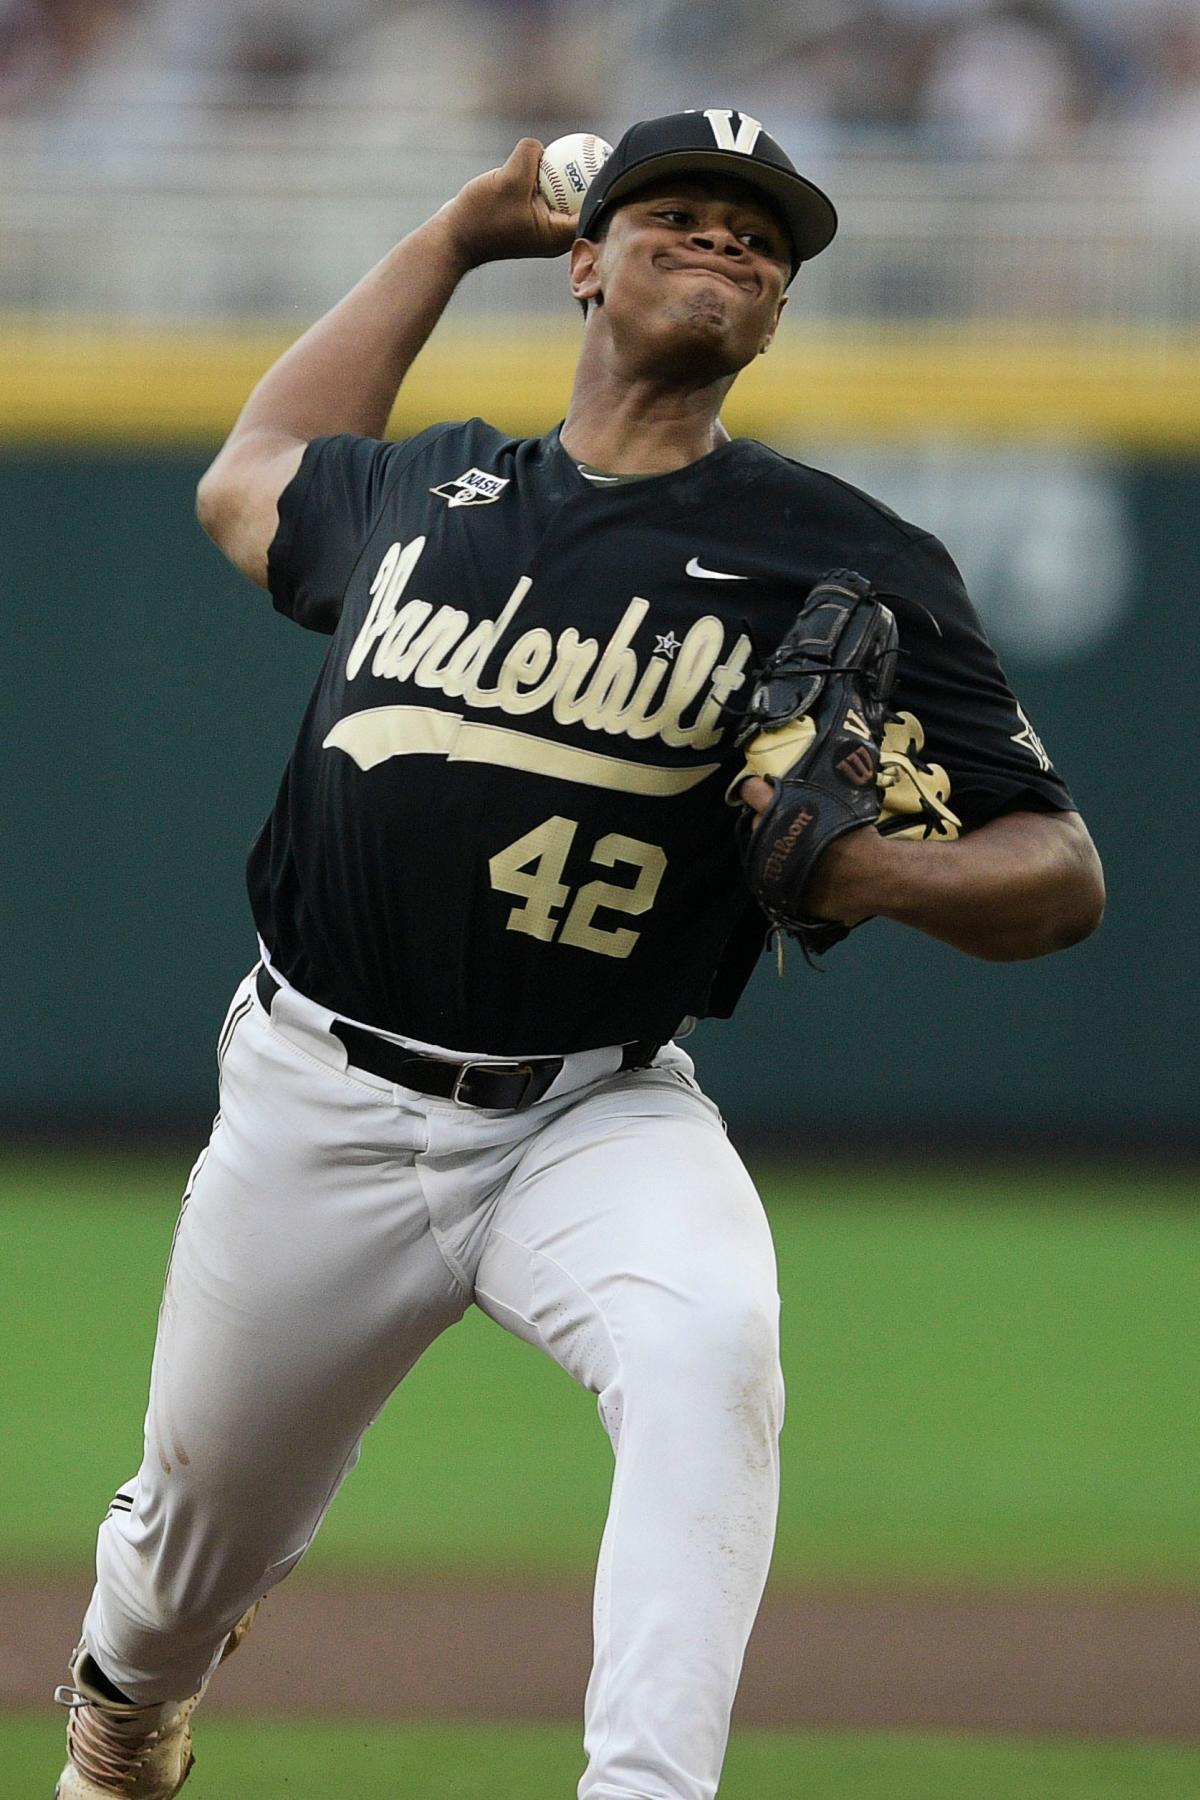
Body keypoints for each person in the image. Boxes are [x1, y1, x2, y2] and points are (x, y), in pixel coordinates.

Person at [54, 109, 1105, 1800]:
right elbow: (244, 481)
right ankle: (124, 1710)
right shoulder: (426, 488)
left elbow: (1060, 872)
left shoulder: (846, 555)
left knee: (711, 1345)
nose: (729, 247)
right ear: (586, 264)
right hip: (313, 1098)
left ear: (776, 314)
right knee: (188, 1553)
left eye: (762, 241)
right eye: (681, 212)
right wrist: (449, 236)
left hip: (591, 1115)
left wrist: (878, 868)